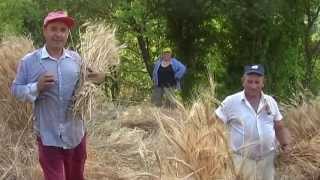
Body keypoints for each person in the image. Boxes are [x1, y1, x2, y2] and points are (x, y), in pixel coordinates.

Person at [11, 11, 103, 180]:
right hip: (48, 137)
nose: (58, 34)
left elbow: (92, 81)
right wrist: (36, 87)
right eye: (53, 29)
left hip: (76, 134)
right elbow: (16, 90)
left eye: (63, 30)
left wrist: (99, 78)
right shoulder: (30, 61)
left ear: (68, 34)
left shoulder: (77, 60)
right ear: (44, 31)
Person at [214, 64, 291, 180]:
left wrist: (285, 145)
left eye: (257, 82)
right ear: (243, 81)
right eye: (250, 82)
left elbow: (279, 126)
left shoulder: (270, 102)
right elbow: (215, 124)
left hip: (267, 160)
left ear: (263, 83)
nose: (253, 86)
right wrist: (219, 151)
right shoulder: (231, 101)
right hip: (241, 160)